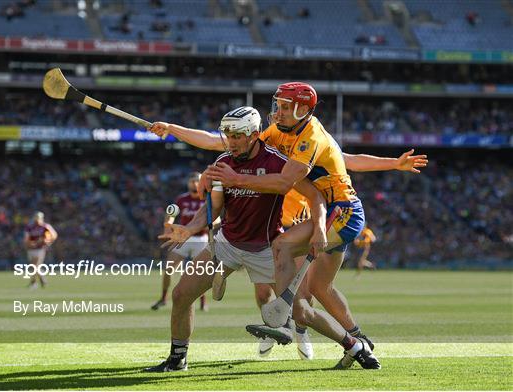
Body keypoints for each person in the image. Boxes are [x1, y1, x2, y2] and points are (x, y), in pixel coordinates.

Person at [148, 83, 427, 368]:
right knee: (320, 287)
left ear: (302, 109)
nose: (276, 112)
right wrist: (171, 128)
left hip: (339, 211)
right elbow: (347, 160)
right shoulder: (275, 133)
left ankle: (293, 325)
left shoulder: (310, 137)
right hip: (294, 220)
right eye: (277, 105)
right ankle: (357, 340)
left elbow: (286, 182)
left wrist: (236, 180)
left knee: (287, 259)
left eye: (283, 107)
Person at [151, 172, 209, 312]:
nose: (194, 184)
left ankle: (203, 302)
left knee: (200, 273)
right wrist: (168, 226)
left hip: (201, 239)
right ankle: (164, 298)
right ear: (188, 183)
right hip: (182, 239)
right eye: (192, 181)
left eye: (197, 181)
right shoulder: (181, 199)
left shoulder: (208, 199)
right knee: (168, 270)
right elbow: (171, 213)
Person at [23, 211, 57, 288]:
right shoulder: (30, 227)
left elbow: (53, 235)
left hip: (40, 249)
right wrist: (29, 243)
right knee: (35, 266)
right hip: (31, 249)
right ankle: (42, 279)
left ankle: (33, 282)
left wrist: (47, 242)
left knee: (35, 265)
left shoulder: (45, 226)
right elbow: (26, 238)